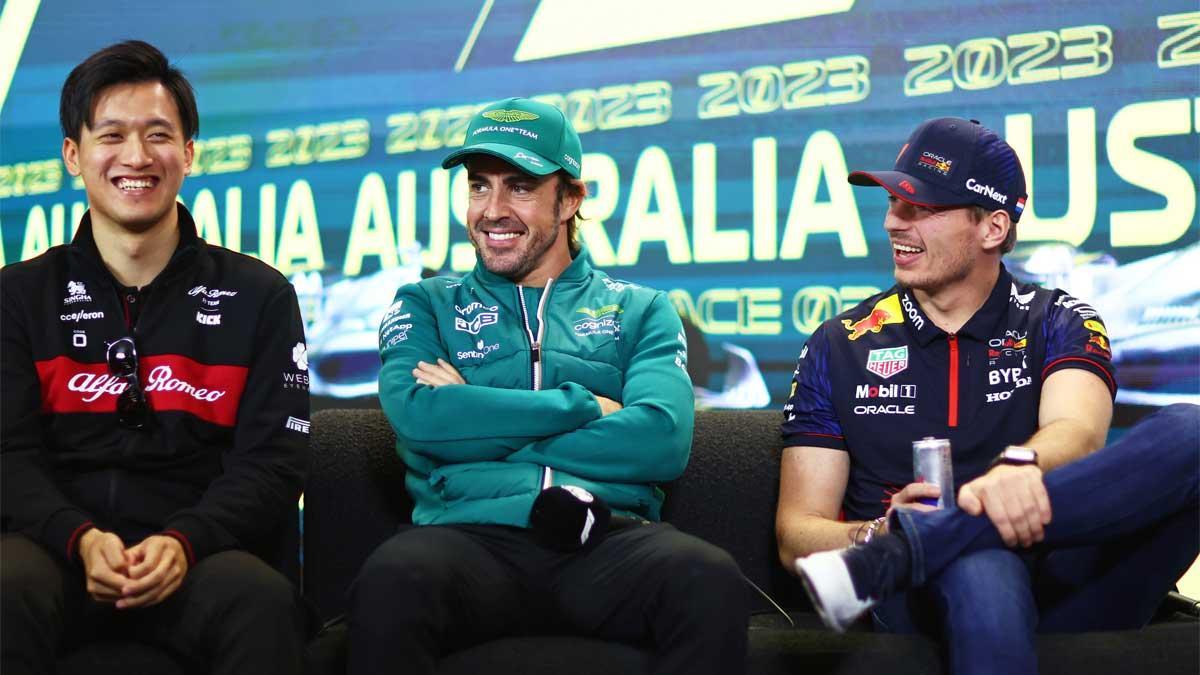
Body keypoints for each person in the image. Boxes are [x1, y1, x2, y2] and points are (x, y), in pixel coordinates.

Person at [775, 117, 1199, 674]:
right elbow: (794, 533)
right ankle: (912, 550)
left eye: (920, 208)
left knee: (1192, 432)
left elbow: (1078, 432)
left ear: (993, 228)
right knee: (981, 564)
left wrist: (1017, 469)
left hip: (1064, 584)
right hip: (914, 601)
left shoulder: (1058, 318)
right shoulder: (840, 343)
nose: (893, 224)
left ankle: (914, 547)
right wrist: (877, 531)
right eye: (892, 203)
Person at [350, 97, 748, 675]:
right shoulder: (425, 304)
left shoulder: (642, 310)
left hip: (607, 536)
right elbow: (420, 420)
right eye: (479, 187)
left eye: (520, 187)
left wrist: (473, 423)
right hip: (467, 538)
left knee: (707, 577)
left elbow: (662, 440)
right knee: (392, 580)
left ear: (570, 199)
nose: (493, 210)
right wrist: (585, 406)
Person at [1, 41, 311, 674]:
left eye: (159, 135)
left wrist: (184, 541)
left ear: (190, 153)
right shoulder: (17, 297)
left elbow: (275, 464)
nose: (136, 157)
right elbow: (7, 455)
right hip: (53, 552)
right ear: (73, 156)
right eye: (111, 135)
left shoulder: (260, 296)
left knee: (262, 604)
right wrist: (79, 537)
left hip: (199, 554)